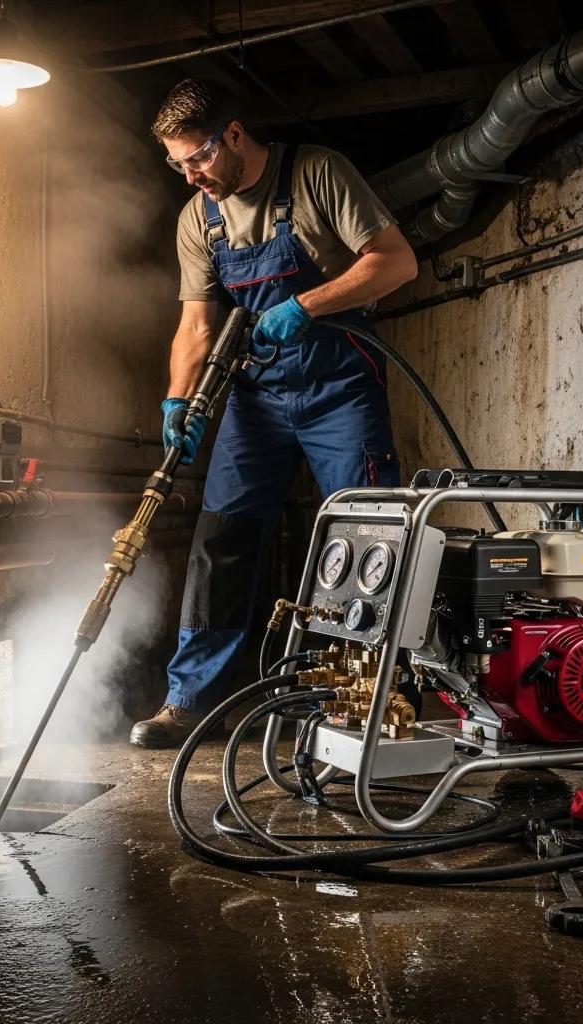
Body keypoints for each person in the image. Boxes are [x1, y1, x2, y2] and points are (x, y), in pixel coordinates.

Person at [130, 79, 418, 748]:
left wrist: (307, 305)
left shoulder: (316, 173)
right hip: (257, 397)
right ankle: (193, 698)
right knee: (220, 539)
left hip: (340, 384)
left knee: (368, 534)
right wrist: (179, 398)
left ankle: (370, 694)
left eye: (197, 158)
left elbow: (398, 262)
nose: (190, 176)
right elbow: (197, 324)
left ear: (233, 134)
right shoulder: (198, 220)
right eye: (176, 164)